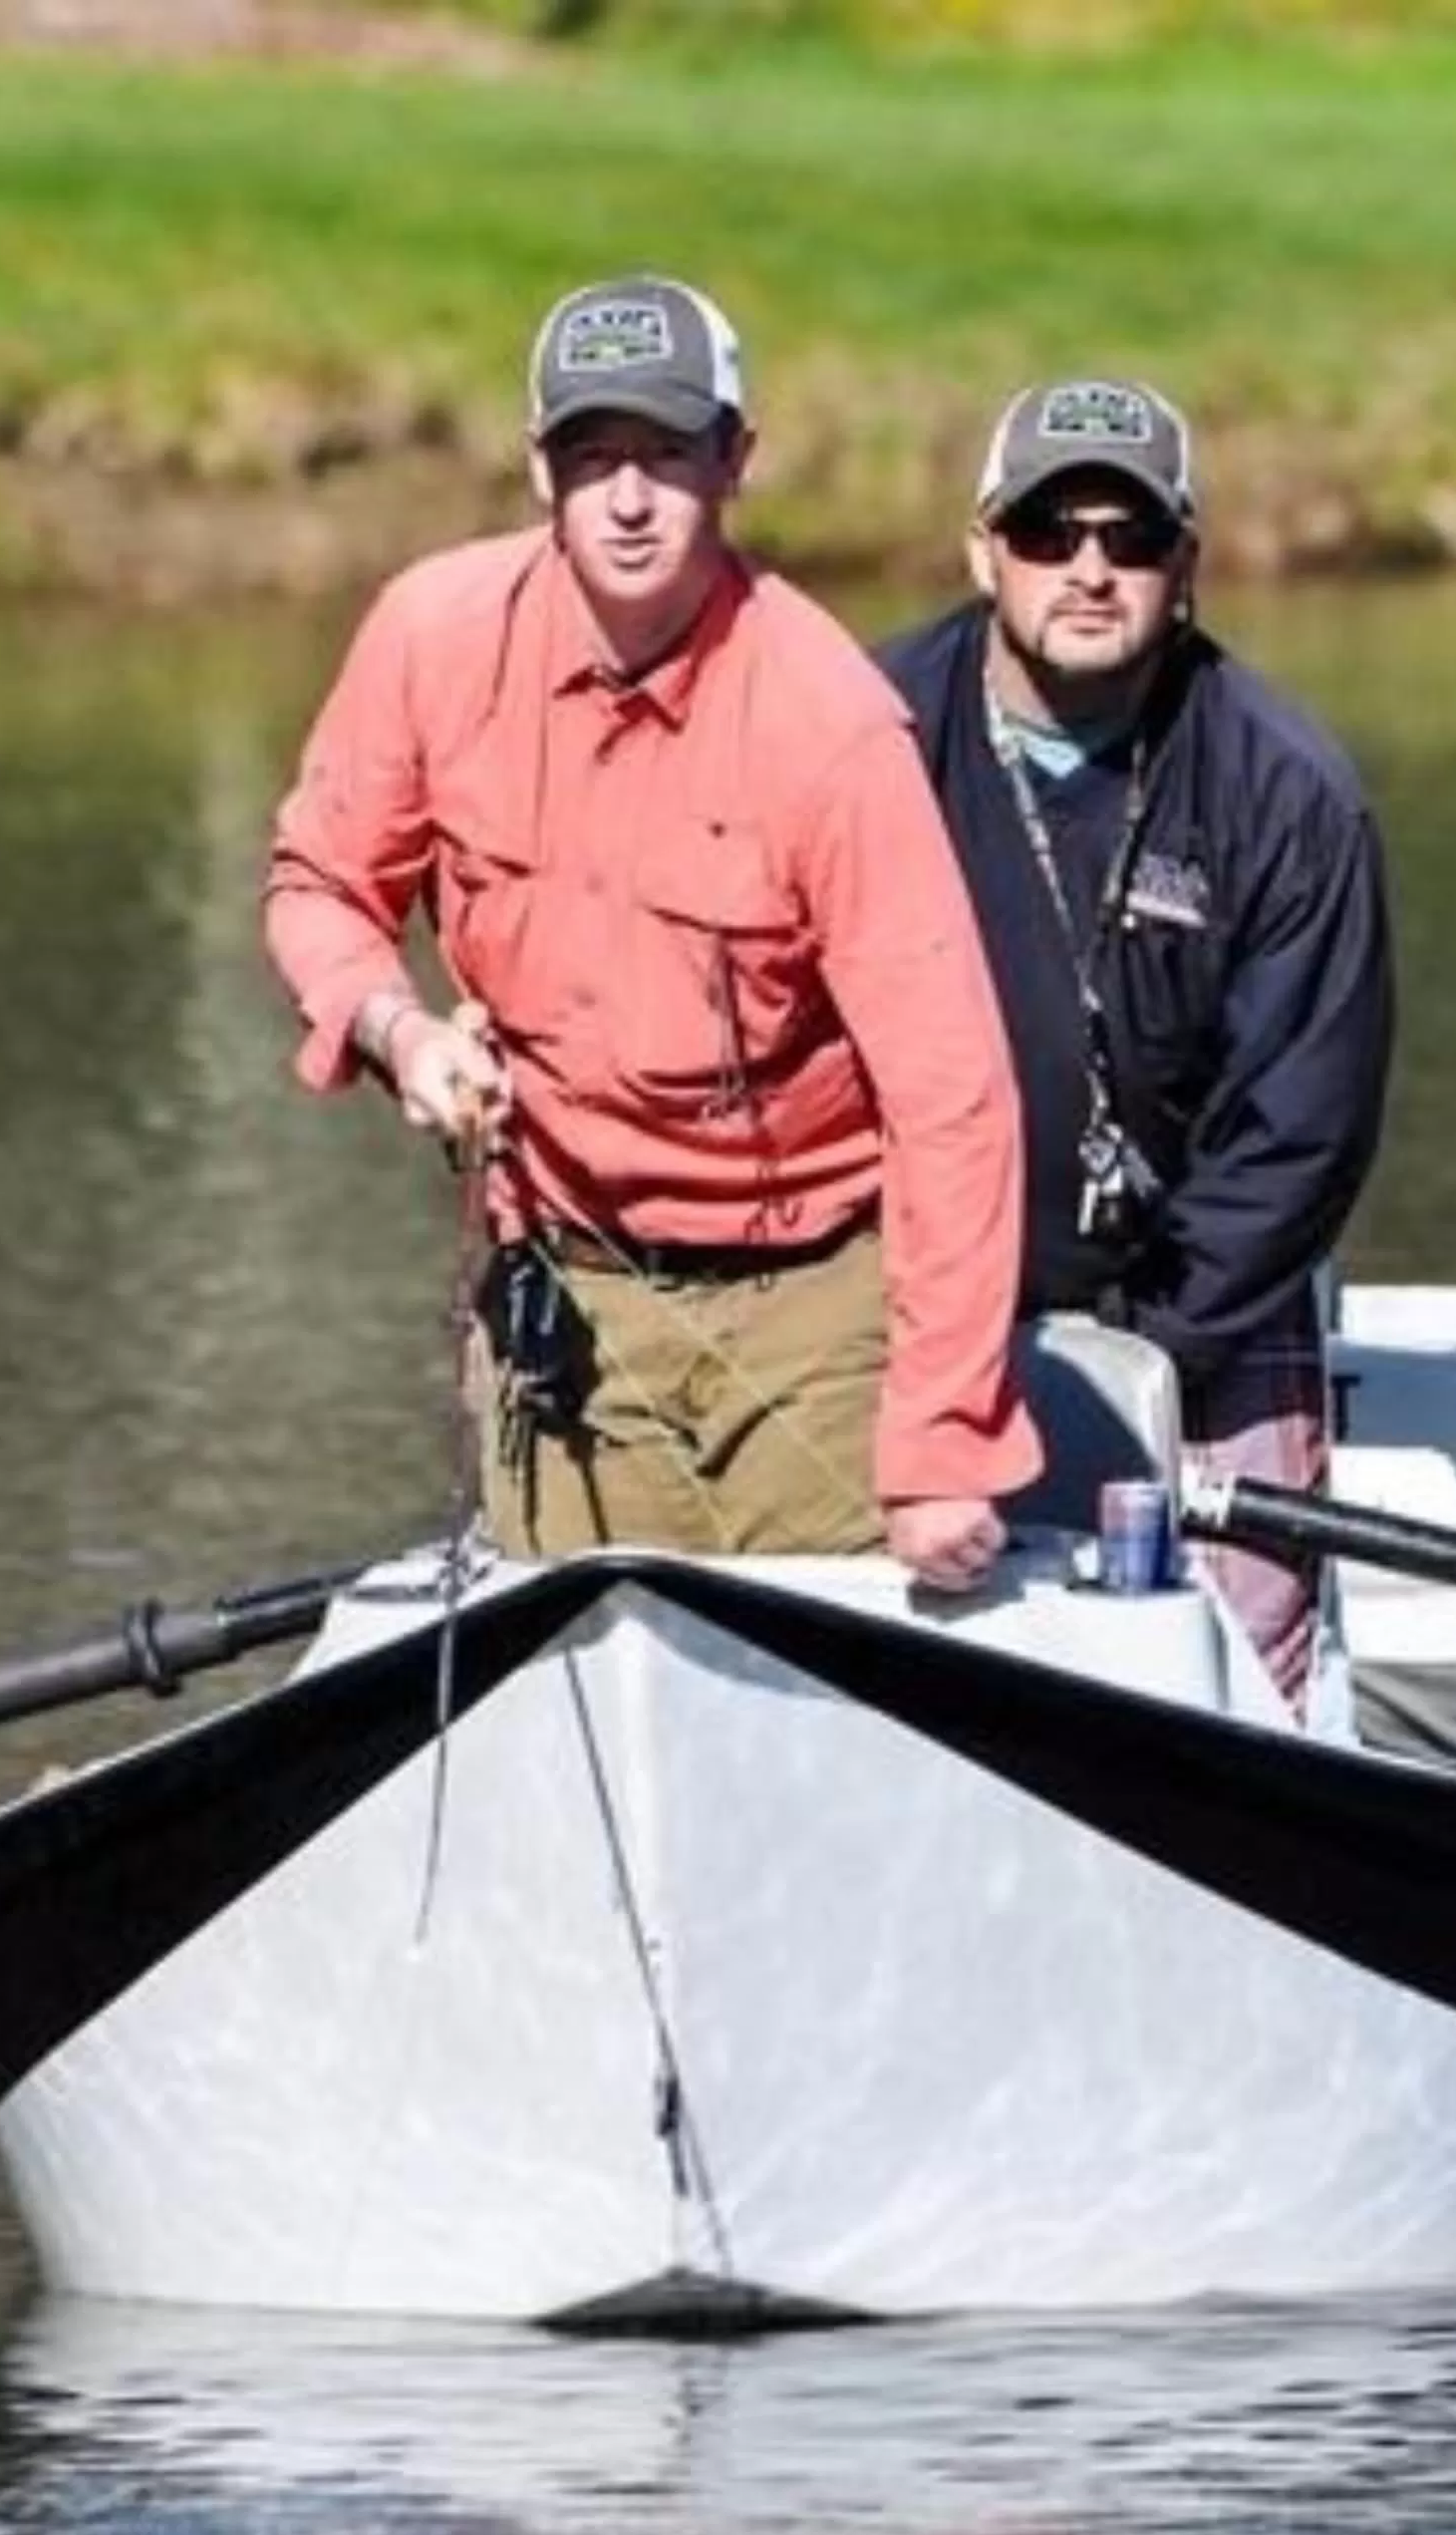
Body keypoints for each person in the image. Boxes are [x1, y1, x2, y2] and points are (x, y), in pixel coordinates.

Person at [263, 272, 1037, 1591]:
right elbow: (318, 884)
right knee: (575, 1690)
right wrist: (398, 1032)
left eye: (666, 455)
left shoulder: (830, 724)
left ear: (735, 460)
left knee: (808, 1716)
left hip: (813, 1305)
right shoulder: (432, 637)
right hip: (565, 1289)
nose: (627, 499)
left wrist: (940, 1439)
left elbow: (954, 1102)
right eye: (591, 456)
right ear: (537, 470)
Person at [877, 377, 1395, 1703]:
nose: (1092, 569)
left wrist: (1147, 1352)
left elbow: (1302, 1137)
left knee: (1235, 1676)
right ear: (982, 547)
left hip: (1205, 1313)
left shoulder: (1287, 791)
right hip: (920, 1300)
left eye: (1134, 537)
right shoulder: (866, 737)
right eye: (1052, 532)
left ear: (1190, 565)